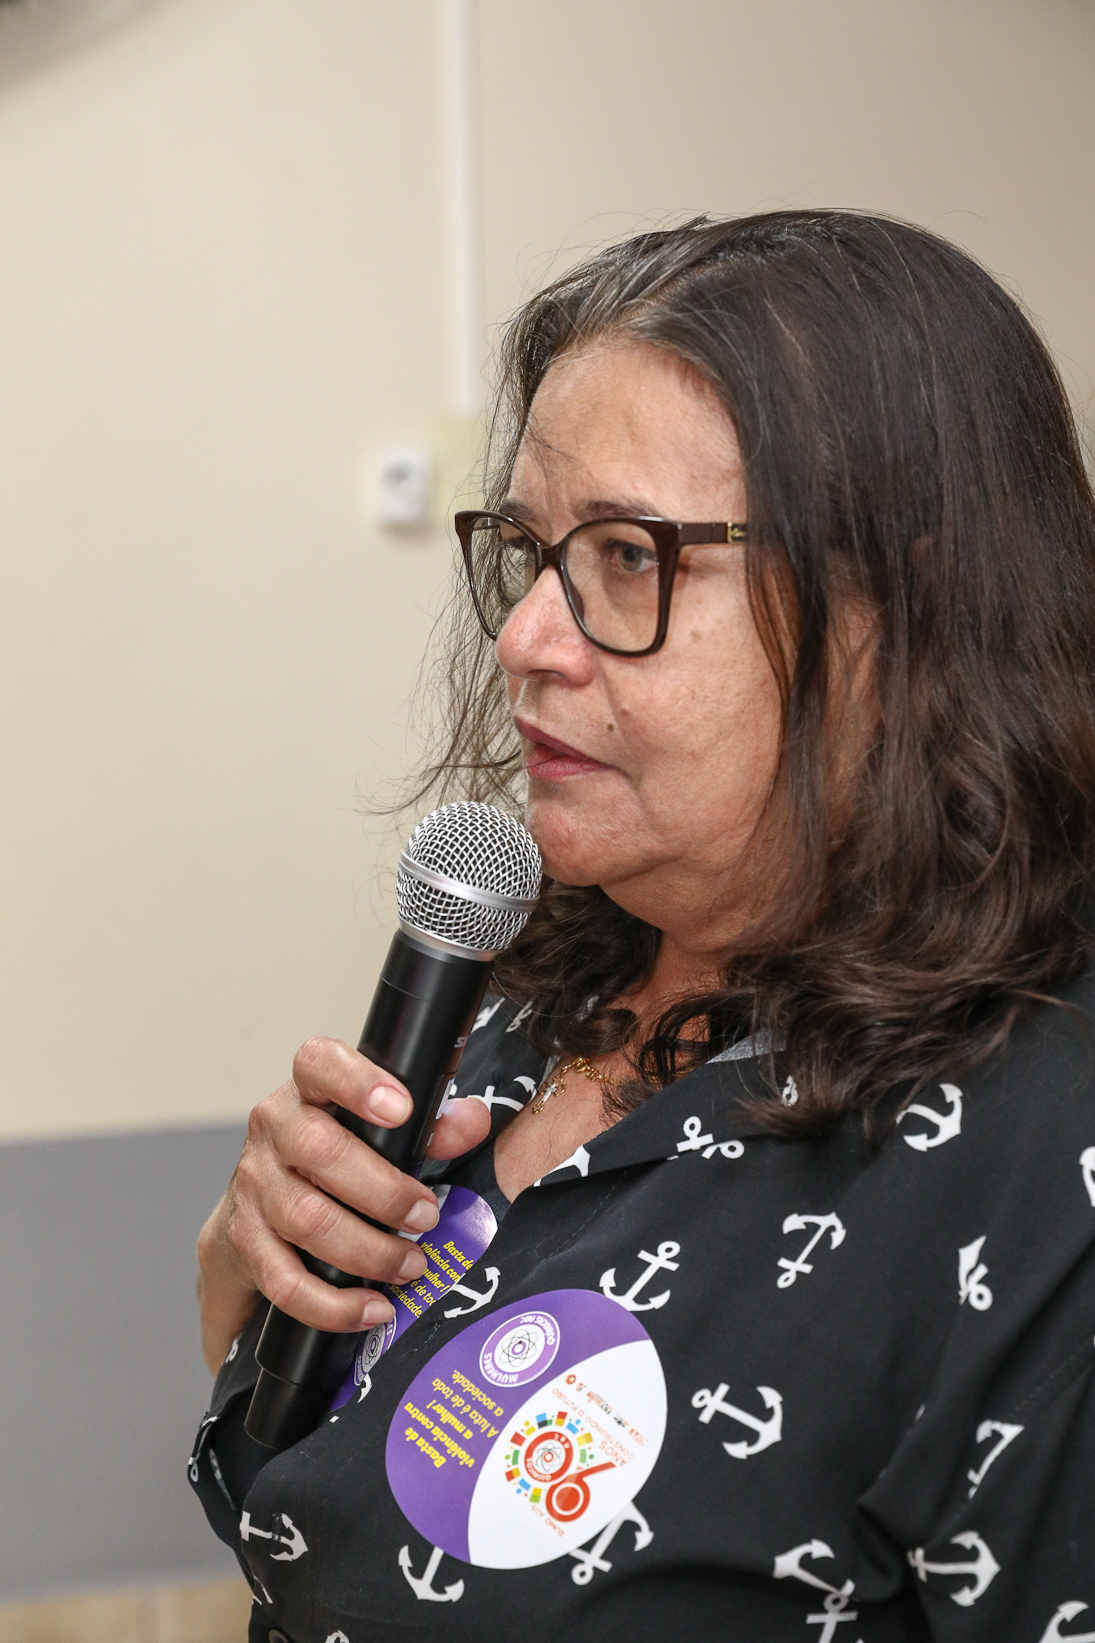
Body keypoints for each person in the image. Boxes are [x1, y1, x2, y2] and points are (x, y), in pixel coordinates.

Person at [190, 211, 1095, 1642]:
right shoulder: (539, 974)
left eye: (626, 556)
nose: (525, 639)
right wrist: (255, 1275)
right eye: (531, 552)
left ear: (903, 607)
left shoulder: (1044, 1158)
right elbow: (325, 1517)